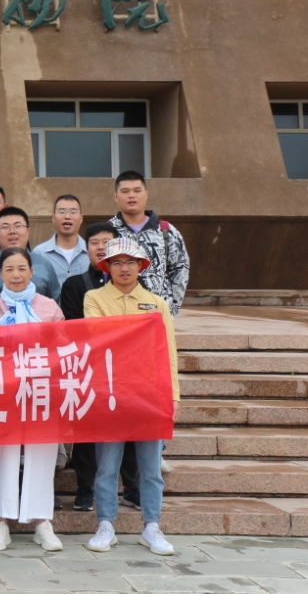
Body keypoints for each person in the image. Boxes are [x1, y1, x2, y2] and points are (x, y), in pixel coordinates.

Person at [84, 237, 181, 556]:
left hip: (150, 394)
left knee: (150, 467)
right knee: (107, 465)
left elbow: (168, 351)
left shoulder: (157, 303)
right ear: (107, 267)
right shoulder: (94, 298)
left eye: (130, 262)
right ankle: (105, 524)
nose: (124, 268)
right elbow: (99, 337)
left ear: (140, 266)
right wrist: (137, 332)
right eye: (117, 263)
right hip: (110, 391)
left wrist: (174, 395)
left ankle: (152, 525)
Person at [0, 247, 66, 553]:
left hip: (41, 389)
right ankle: (0, 522)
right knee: (1, 454)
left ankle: (42, 521)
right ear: (0, 274)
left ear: (32, 272)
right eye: (9, 269)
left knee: (42, 452)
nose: (16, 275)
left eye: (21, 269)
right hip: (2, 391)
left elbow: (63, 346)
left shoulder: (49, 307)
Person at [60, 223, 141, 512]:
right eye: (95, 243)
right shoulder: (75, 285)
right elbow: (72, 327)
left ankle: (132, 487)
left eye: (108, 243)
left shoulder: (138, 289)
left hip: (128, 369)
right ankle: (86, 488)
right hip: (89, 368)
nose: (101, 248)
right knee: (88, 431)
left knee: (130, 429)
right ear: (87, 248)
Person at [109, 170, 190, 317]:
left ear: (146, 194)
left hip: (158, 314)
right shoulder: (107, 232)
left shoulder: (166, 230)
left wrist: (172, 308)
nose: (131, 195)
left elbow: (180, 268)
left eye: (137, 191)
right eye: (125, 191)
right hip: (119, 314)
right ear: (115, 196)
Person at [0, 207, 62, 302]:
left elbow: (55, 301)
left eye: (18, 226)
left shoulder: (44, 264)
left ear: (28, 232)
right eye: (5, 227)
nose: (12, 231)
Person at [32, 194, 90, 286]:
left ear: (81, 219)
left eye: (73, 212)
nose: (67, 216)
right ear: (53, 218)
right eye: (61, 212)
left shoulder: (91, 252)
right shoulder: (39, 253)